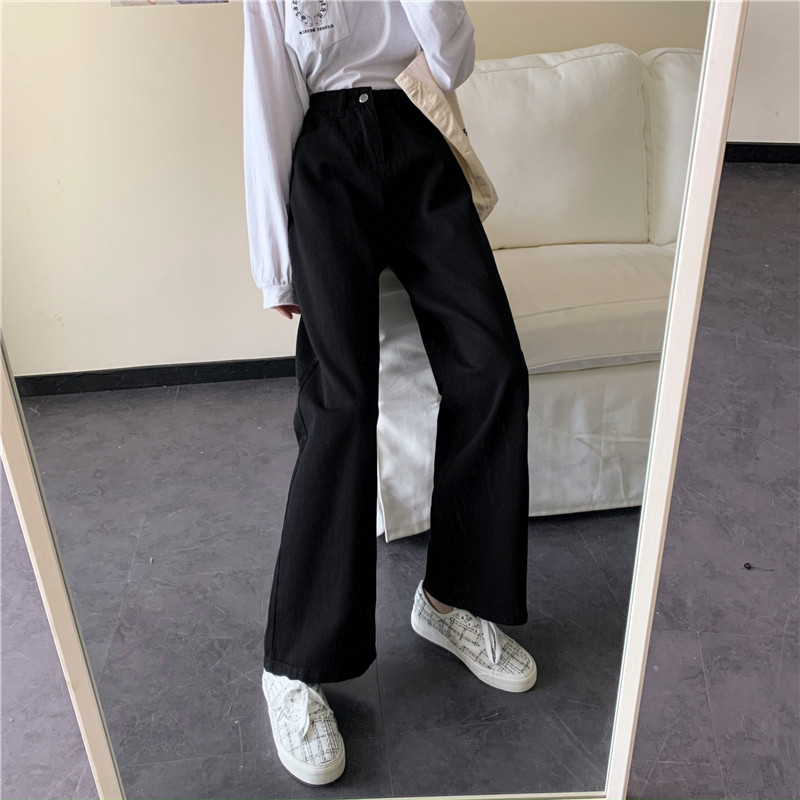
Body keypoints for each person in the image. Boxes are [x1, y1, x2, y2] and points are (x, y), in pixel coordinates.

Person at [242, 0, 537, 786]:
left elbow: (452, 62)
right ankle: (293, 665)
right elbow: (267, 98)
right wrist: (276, 263)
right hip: (325, 154)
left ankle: (450, 601)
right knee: (341, 405)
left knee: (493, 368)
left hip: (416, 128)